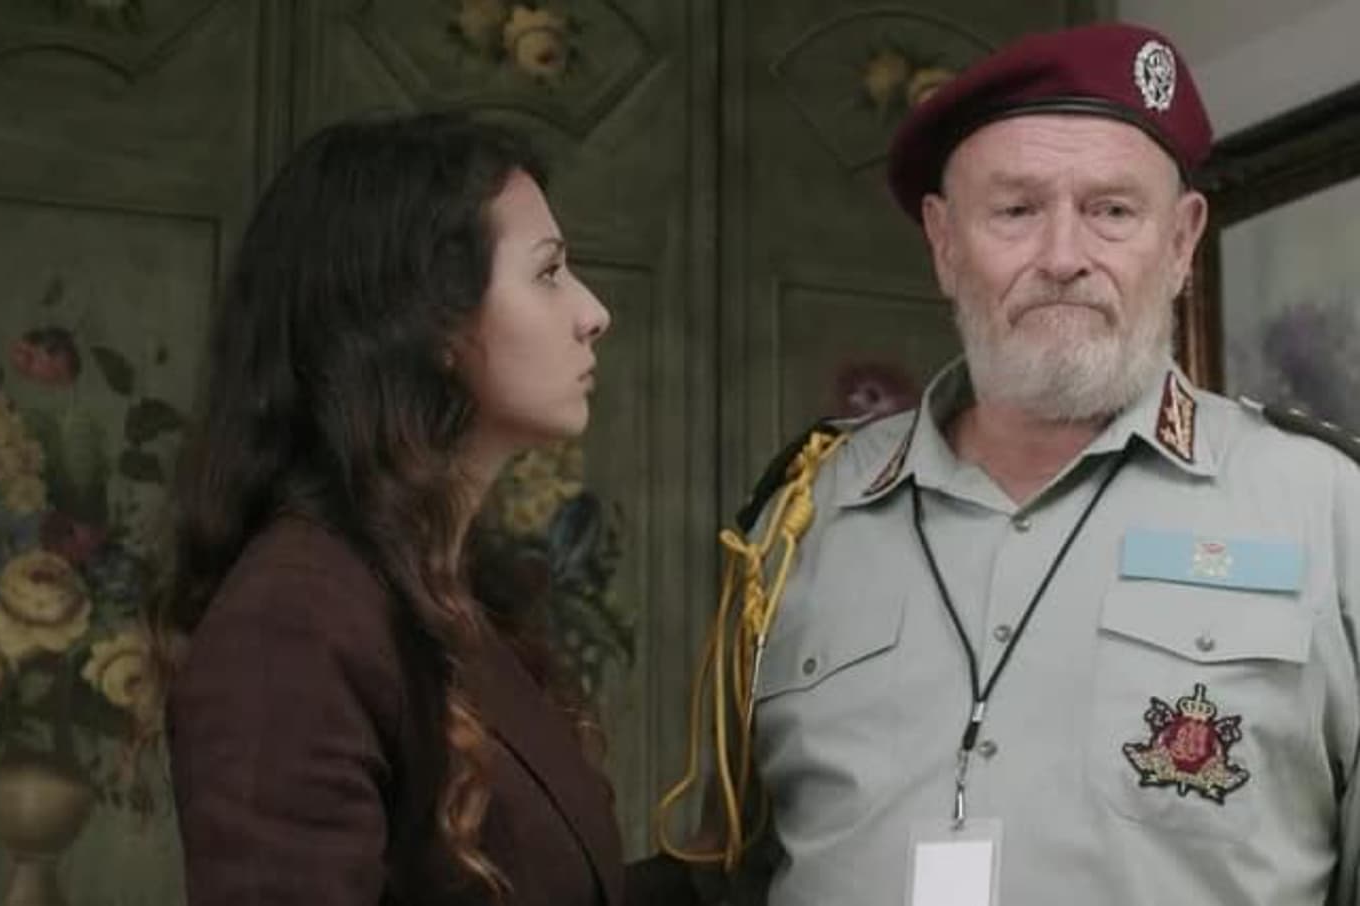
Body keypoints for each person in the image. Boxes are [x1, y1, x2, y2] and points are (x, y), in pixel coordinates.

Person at [686, 21, 1360, 905]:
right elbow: (730, 868)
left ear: (1181, 241)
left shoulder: (1330, 513)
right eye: (1016, 212)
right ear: (943, 242)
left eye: (1112, 211)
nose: (1064, 258)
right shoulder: (805, 520)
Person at [154, 111, 663, 906]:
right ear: (430, 323)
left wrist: (763, 844)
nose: (593, 312)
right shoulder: (292, 620)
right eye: (548, 272)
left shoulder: (440, 593)